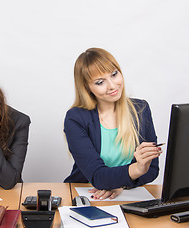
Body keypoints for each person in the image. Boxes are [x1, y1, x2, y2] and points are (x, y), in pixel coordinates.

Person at [64, 48, 161, 200]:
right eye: (100, 82)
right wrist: (136, 169)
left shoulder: (140, 109)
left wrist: (121, 184)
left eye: (114, 74)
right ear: (87, 88)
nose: (112, 85)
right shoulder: (76, 119)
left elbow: (152, 169)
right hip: (87, 195)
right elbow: (97, 176)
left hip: (126, 195)